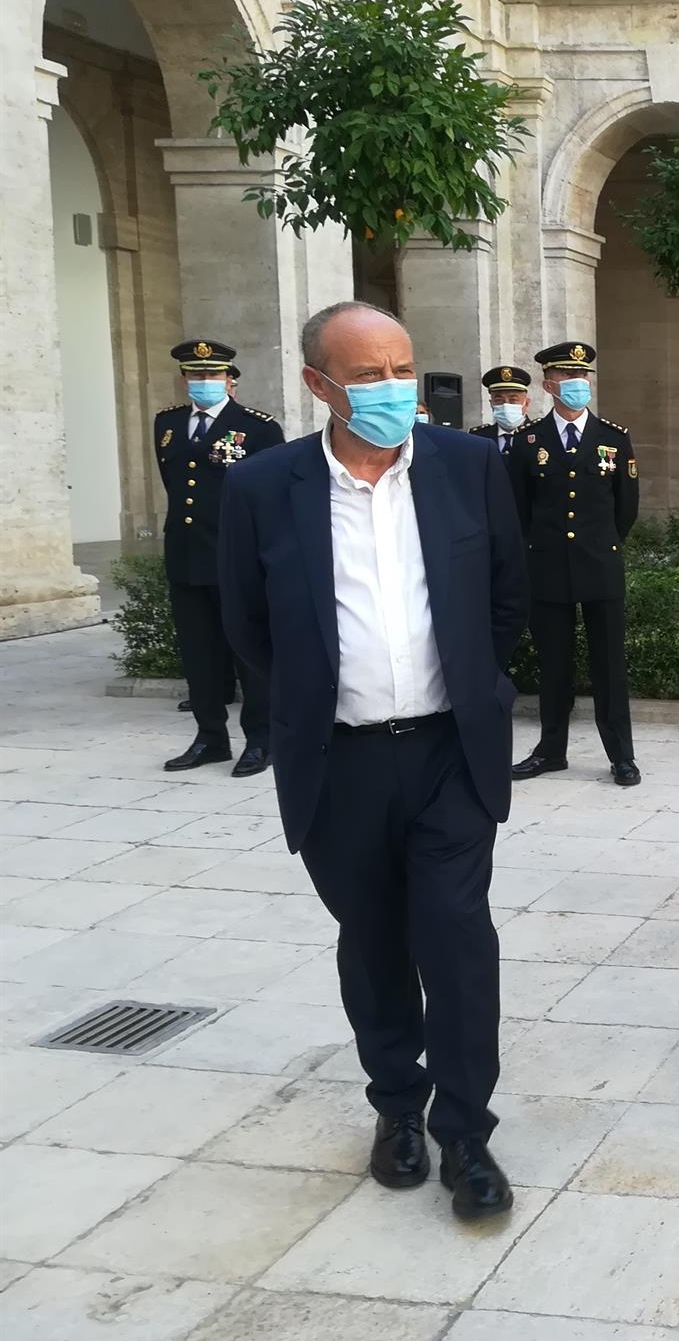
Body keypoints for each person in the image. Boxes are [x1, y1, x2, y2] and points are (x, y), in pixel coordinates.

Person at [219, 300, 528, 1221]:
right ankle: (397, 1106)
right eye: (368, 375)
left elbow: (506, 599)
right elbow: (249, 626)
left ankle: (465, 1132)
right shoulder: (263, 487)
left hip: (448, 754)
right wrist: (321, 698)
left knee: (457, 938)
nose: (394, 388)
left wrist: (480, 690)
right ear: (319, 385)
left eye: (401, 369)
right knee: (374, 938)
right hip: (340, 762)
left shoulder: (468, 466)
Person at [508, 342, 641, 787]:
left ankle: (621, 755)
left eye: (582, 377)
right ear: (549, 385)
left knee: (609, 666)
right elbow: (517, 509)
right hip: (547, 567)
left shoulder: (614, 438)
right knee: (554, 666)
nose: (577, 384)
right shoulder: (528, 441)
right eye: (567, 377)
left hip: (600, 565)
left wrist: (601, 544)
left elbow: (626, 508)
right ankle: (551, 751)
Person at [154, 339, 283, 774]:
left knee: (248, 654)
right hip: (187, 556)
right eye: (195, 374)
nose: (204, 381)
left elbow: (272, 496)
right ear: (184, 378)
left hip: (237, 557)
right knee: (199, 654)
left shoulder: (258, 427)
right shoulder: (168, 423)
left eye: (212, 374)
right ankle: (210, 738)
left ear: (230, 379)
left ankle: (261, 740)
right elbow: (175, 486)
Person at [471, 365, 532, 455]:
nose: (506, 405)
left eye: (513, 400)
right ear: (491, 404)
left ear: (526, 403)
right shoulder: (477, 438)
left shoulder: (541, 435)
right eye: (499, 400)